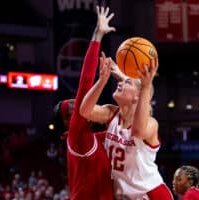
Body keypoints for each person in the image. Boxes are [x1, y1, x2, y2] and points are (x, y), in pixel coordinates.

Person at [80, 40, 173, 199]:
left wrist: (144, 86)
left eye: (127, 82)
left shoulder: (151, 124)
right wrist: (102, 81)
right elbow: (84, 110)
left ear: (138, 96)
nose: (120, 84)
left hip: (150, 195)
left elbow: (137, 131)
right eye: (120, 81)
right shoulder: (111, 114)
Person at [54, 6, 116, 200]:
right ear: (67, 122)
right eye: (72, 107)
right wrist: (97, 36)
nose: (78, 104)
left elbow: (125, 130)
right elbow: (85, 84)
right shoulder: (75, 136)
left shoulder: (95, 139)